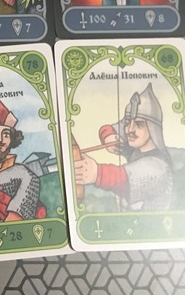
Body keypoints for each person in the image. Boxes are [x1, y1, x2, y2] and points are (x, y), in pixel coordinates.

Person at [74, 83, 173, 211]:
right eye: (127, 123)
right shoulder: (136, 147)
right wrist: (109, 136)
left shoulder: (159, 168)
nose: (129, 129)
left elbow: (122, 178)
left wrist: (96, 173)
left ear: (153, 129)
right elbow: (114, 128)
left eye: (139, 125)